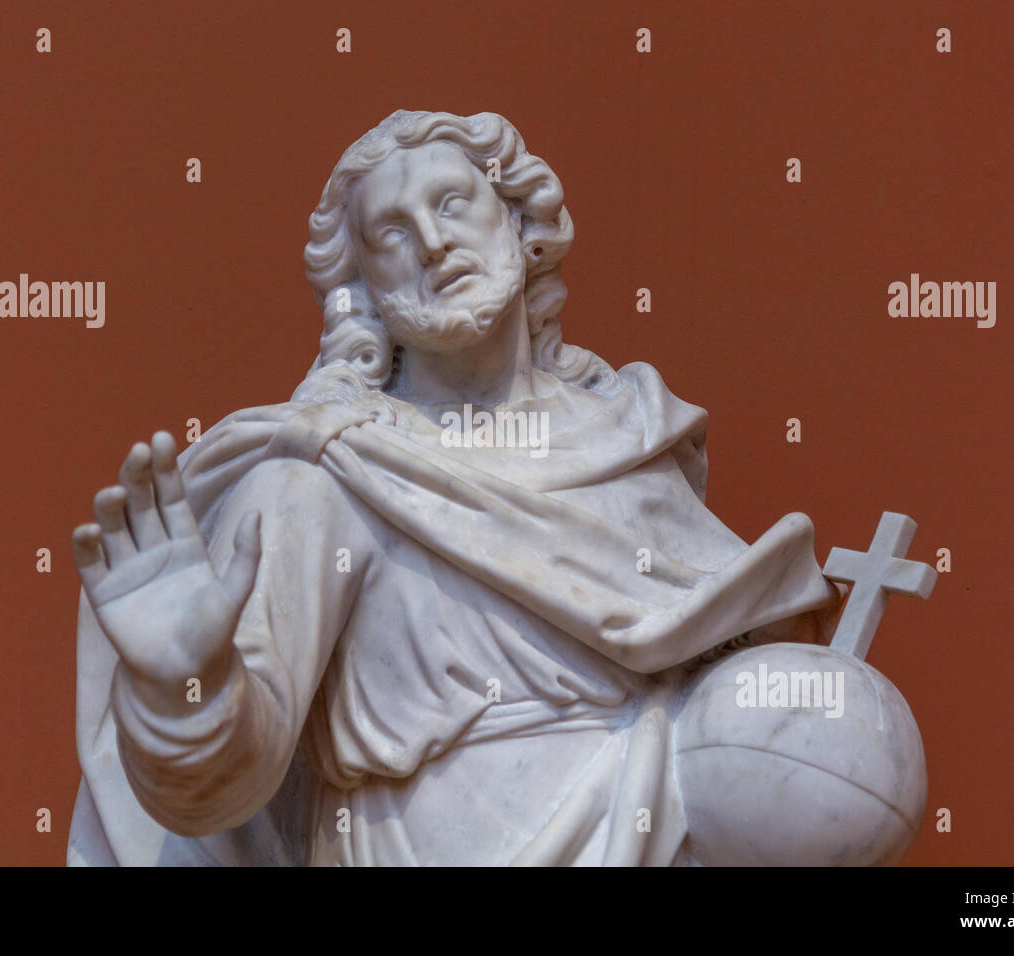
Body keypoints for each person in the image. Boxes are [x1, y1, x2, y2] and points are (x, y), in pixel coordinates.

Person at [66, 110, 846, 866]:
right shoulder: (326, 472)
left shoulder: (633, 443)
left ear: (518, 224)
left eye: (452, 203)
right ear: (363, 292)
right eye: (392, 235)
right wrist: (186, 687)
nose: (434, 245)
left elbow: (750, 703)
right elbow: (231, 785)